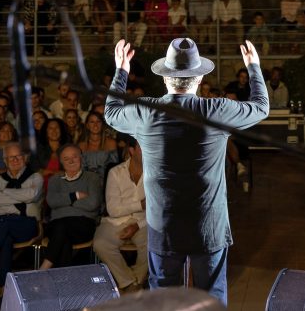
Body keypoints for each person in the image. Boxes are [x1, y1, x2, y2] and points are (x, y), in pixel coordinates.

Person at [105, 37, 268, 304]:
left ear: (165, 78)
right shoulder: (216, 110)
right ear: (200, 78)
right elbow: (261, 107)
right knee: (211, 302)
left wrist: (121, 71)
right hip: (208, 227)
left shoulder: (146, 112)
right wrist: (254, 68)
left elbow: (111, 113)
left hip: (163, 228)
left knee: (163, 303)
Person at [0, 141, 43, 287]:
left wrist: (4, 192)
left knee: (3, 225)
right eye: (11, 157)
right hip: (0, 225)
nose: (15, 160)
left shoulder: (35, 177)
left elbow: (31, 195)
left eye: (18, 156)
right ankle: (5, 286)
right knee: (5, 236)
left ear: (25, 158)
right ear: (5, 161)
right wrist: (21, 199)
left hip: (25, 225)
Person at [94, 135, 148, 294]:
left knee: (154, 243)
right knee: (100, 243)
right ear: (131, 150)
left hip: (144, 221)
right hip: (116, 221)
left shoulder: (156, 174)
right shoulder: (115, 172)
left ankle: (136, 282)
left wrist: (137, 225)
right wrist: (141, 204)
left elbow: (158, 209)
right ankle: (129, 282)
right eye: (143, 147)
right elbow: (113, 209)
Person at [40, 144, 102, 269]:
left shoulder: (92, 178)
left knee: (62, 232)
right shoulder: (55, 180)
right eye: (66, 158)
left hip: (83, 224)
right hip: (56, 225)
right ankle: (63, 277)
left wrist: (65, 201)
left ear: (81, 158)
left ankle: (43, 269)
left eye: (74, 157)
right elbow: (52, 201)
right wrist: (76, 195)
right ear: (61, 162)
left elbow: (93, 203)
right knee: (63, 235)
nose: (71, 161)